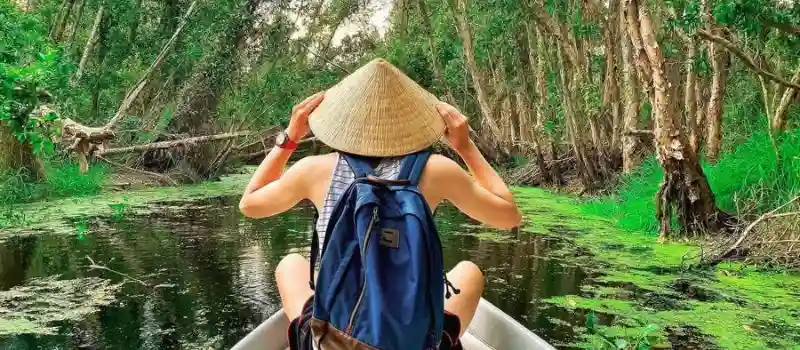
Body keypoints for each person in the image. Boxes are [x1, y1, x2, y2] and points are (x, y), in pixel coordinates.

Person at [239, 59, 521, 350]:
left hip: (335, 342)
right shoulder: (437, 170)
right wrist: (466, 147)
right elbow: (509, 216)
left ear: (342, 121)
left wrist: (289, 139)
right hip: (411, 341)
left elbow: (249, 203)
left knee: (291, 265)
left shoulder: (313, 169)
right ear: (409, 122)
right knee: (469, 273)